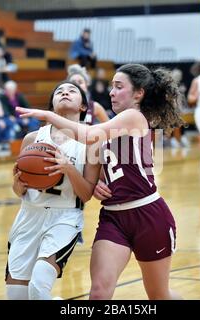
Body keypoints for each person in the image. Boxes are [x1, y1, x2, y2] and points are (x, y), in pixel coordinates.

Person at [16, 63, 183, 300]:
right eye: (111, 87)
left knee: (158, 295)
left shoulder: (134, 117)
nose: (111, 92)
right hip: (113, 217)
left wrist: (49, 116)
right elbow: (113, 166)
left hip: (147, 214)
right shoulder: (113, 124)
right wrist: (98, 183)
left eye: (118, 87)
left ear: (139, 93)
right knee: (98, 294)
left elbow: (90, 135)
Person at [6, 80, 100, 300]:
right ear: (51, 108)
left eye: (72, 91)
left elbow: (86, 194)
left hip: (64, 218)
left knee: (38, 288)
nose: (65, 92)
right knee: (16, 297)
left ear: (83, 107)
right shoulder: (32, 139)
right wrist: (17, 186)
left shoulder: (91, 142)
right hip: (28, 216)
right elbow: (21, 188)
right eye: (59, 91)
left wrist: (68, 167)